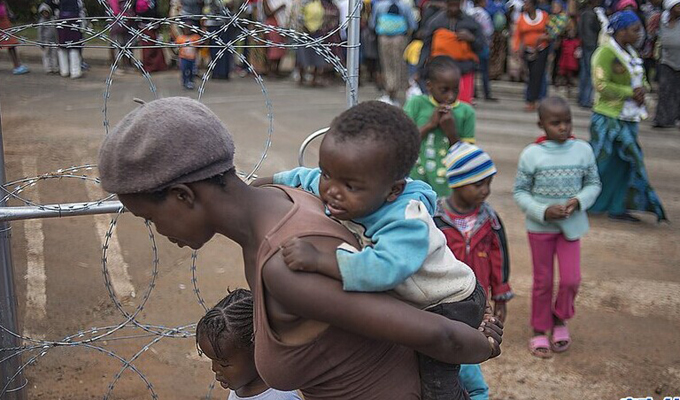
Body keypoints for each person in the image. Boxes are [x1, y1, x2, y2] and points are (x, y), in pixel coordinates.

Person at [97, 97, 503, 399]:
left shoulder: (288, 265)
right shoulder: (285, 196)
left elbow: (441, 338)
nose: (158, 230)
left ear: (184, 196)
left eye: (150, 218)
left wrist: (484, 345)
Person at [257, 100, 486, 400]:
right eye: (328, 174)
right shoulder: (351, 183)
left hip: (450, 302)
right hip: (419, 296)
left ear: (393, 190)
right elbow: (303, 177)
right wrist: (258, 186)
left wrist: (321, 260)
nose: (331, 191)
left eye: (350, 186)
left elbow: (382, 270)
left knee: (435, 381)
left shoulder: (407, 220)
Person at [514, 96, 602, 358]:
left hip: (571, 227)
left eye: (567, 122)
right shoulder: (532, 155)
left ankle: (560, 317)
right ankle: (540, 328)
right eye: (555, 123)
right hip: (540, 228)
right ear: (542, 124)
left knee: (571, 279)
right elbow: (519, 192)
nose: (563, 128)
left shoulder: (583, 150)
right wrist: (543, 211)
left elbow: (594, 184)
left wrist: (578, 201)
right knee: (543, 282)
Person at [435, 142, 514, 400]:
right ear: (457, 182)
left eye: (488, 184)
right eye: (478, 184)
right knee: (440, 348)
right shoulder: (434, 218)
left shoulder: (489, 218)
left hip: (477, 304)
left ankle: (476, 392)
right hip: (440, 300)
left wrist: (500, 294)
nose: (485, 191)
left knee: (470, 350)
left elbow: (499, 256)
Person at [590, 10, 666, 222]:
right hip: (608, 118)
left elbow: (638, 80)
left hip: (629, 118)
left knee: (625, 164)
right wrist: (630, 93)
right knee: (601, 163)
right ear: (621, 31)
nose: (639, 34)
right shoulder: (605, 53)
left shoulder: (631, 53)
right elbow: (600, 85)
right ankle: (584, 201)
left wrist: (643, 88)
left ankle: (616, 207)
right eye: (635, 30)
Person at [196, 289, 303, 399]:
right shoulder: (241, 386)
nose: (214, 368)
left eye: (224, 364)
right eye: (213, 360)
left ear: (258, 350)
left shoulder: (279, 397)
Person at [407, 56, 476, 197]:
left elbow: (467, 156)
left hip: (448, 187)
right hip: (414, 182)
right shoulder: (417, 104)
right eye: (444, 90)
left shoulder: (466, 112)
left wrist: (451, 132)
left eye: (455, 90)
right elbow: (403, 141)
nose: (450, 96)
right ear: (429, 86)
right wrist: (430, 125)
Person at [417, 0, 486, 104]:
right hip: (440, 70)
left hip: (464, 69)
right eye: (450, 5)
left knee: (462, 107)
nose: (453, 9)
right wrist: (420, 68)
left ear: (461, 3)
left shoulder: (471, 23)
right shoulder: (435, 22)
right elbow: (426, 46)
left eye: (456, 5)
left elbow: (481, 46)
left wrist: (471, 38)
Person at [371, 0, 418, 105]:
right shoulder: (405, 6)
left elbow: (373, 23)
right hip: (400, 38)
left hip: (384, 37)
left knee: (387, 63)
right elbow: (413, 24)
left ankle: (390, 89)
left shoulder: (379, 5)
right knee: (400, 63)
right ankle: (400, 88)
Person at [513, 0, 550, 111]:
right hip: (528, 50)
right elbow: (517, 35)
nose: (525, 6)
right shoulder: (521, 18)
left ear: (533, 5)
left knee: (537, 74)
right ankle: (534, 99)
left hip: (541, 49)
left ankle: (533, 100)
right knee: (530, 75)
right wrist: (516, 49)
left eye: (527, 4)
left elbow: (550, 31)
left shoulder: (543, 16)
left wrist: (544, 38)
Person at [653, 0, 680, 129]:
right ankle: (662, 119)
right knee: (665, 90)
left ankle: (675, 118)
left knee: (677, 92)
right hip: (666, 60)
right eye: (677, 6)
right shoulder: (662, 20)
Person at [467, 0, 498, 101]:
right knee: (484, 70)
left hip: (470, 45)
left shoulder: (468, 13)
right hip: (482, 45)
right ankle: (486, 93)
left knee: (472, 70)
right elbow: (489, 31)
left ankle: (473, 92)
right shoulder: (484, 14)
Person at [578, 0, 601, 108]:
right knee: (589, 73)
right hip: (591, 44)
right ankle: (586, 100)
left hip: (584, 43)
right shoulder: (592, 14)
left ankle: (582, 97)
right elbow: (598, 28)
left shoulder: (583, 14)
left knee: (584, 72)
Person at [55, 0, 85, 79]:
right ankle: (75, 71)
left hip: (61, 18)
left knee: (62, 45)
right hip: (74, 18)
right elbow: (80, 5)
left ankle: (64, 70)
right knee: (74, 45)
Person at [0, 1, 29, 75]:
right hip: (2, 27)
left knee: (11, 45)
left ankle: (17, 66)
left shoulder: (3, 3)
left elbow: (6, 11)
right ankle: (17, 66)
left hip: (5, 27)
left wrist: (9, 13)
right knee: (11, 45)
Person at [556, 20, 580, 96]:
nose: (571, 34)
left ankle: (568, 87)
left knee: (570, 76)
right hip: (564, 61)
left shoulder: (576, 42)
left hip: (571, 61)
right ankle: (561, 85)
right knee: (562, 74)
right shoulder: (564, 41)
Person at [38, 2, 59, 74]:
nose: (45, 14)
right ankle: (48, 68)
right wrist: (41, 42)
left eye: (46, 12)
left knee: (54, 54)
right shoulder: (41, 22)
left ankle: (55, 67)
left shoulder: (53, 20)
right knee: (46, 55)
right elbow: (40, 33)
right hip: (46, 41)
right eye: (43, 13)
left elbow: (56, 31)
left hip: (54, 41)